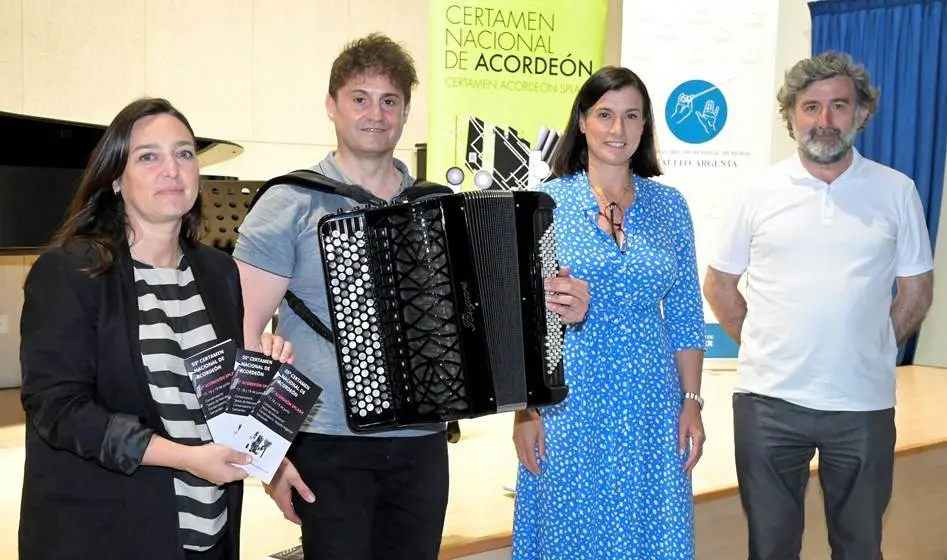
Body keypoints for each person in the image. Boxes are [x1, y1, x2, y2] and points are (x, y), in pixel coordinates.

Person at [234, 33, 589, 560]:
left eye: (390, 101)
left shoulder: (436, 206)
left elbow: (494, 319)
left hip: (423, 442)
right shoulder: (289, 203)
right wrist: (266, 457)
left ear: (404, 112)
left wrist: (556, 309)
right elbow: (242, 335)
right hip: (328, 442)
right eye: (360, 98)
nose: (375, 114)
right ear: (331, 106)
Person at [18, 97, 294, 560]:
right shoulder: (69, 272)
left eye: (184, 153)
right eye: (149, 156)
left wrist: (261, 392)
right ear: (115, 180)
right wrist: (186, 457)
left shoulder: (218, 272)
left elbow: (219, 400)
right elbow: (58, 410)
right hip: (107, 533)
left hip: (207, 529)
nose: (173, 169)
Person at [703, 51, 934, 560]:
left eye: (838, 107)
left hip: (863, 407)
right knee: (770, 549)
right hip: (768, 404)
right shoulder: (756, 192)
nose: (824, 121)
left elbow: (916, 293)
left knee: (859, 548)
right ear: (792, 116)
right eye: (811, 107)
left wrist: (865, 347)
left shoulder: (897, 191)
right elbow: (719, 285)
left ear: (861, 114)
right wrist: (770, 344)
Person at [512, 65, 707, 559]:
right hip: (568, 402)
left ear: (644, 128)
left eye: (631, 116)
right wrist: (525, 412)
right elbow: (519, 322)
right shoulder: (545, 204)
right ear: (582, 121)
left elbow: (685, 314)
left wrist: (691, 401)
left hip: (651, 403)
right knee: (569, 533)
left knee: (648, 533)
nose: (617, 130)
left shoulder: (670, 206)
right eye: (605, 115)